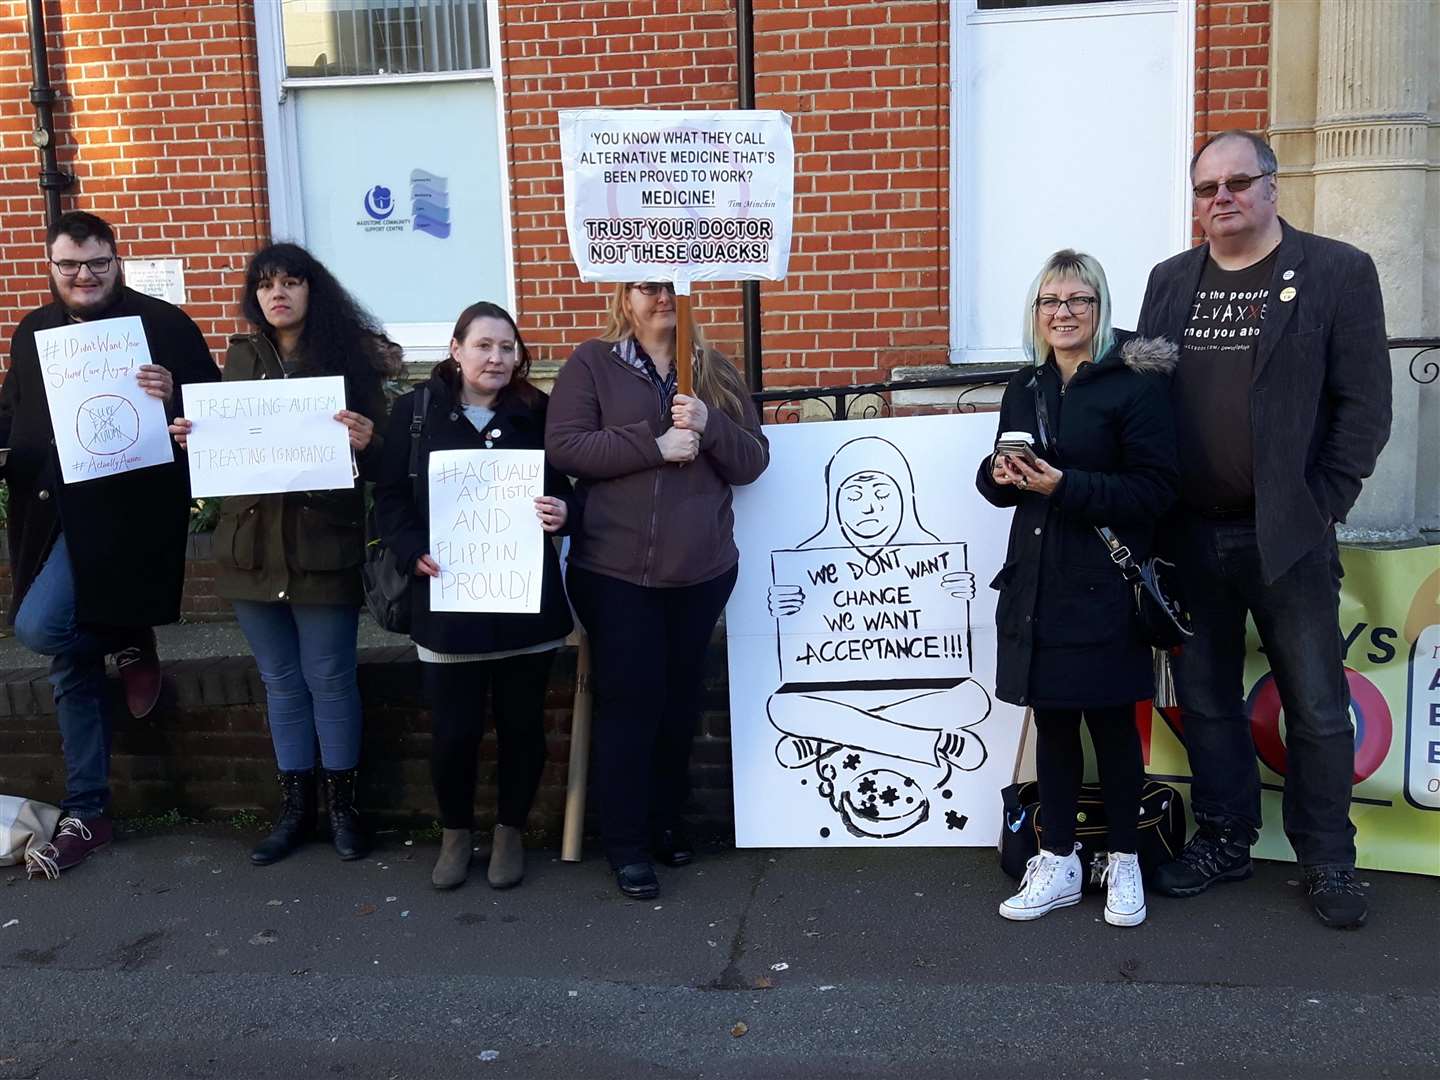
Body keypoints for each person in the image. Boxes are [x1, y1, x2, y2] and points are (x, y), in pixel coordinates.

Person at [1136, 131, 1391, 929]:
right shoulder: (1169, 282)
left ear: (1271, 187)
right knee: (1208, 702)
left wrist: (1324, 504)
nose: (1222, 199)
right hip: (1189, 535)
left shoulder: (1338, 273)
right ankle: (1225, 838)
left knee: (1316, 706)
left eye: (1238, 182)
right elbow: (1144, 395)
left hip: (1290, 535)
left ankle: (1328, 860)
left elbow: (1365, 406)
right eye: (1207, 188)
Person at [1, 210, 220, 874]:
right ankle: (88, 812)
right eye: (69, 264)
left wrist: (174, 391)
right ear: (51, 265)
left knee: (43, 628)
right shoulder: (34, 330)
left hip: (126, 518)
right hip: (53, 515)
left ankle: (126, 631)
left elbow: (214, 411)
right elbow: (17, 411)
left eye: (96, 262)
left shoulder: (164, 324)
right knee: (69, 662)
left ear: (116, 260)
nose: (83, 276)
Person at [169, 243, 397, 865]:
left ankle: (344, 808)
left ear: (311, 291)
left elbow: (386, 460)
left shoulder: (348, 359)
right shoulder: (239, 359)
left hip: (322, 544)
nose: (279, 294)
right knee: (280, 683)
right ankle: (296, 808)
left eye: (292, 282)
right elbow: (229, 446)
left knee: (329, 678)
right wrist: (196, 438)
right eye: (267, 284)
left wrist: (370, 440)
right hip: (249, 548)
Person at [546, 282, 769, 900]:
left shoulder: (714, 369)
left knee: (678, 703)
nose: (663, 297)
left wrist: (710, 424)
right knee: (630, 704)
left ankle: (668, 822)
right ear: (626, 296)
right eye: (648, 286)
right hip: (615, 573)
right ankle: (625, 843)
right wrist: (653, 442)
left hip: (700, 572)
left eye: (673, 285)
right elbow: (565, 446)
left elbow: (753, 461)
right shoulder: (593, 363)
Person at [976, 249, 1178, 927]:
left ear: (1100, 309)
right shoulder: (1026, 385)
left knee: (1114, 727)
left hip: (1105, 586)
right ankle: (1056, 858)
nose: (1062, 313)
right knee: (1054, 726)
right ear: (1036, 313)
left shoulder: (1134, 386)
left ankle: (1125, 862)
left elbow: (1156, 490)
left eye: (1077, 300)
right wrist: (998, 475)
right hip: (1037, 583)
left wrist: (1067, 486)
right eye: (1050, 301)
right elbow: (1002, 479)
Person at [374, 301, 576, 890]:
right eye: (484, 345)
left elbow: (570, 487)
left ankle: (510, 832)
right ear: (455, 350)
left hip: (524, 605)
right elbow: (388, 496)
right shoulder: (415, 413)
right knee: (454, 731)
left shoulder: (538, 413)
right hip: (447, 603)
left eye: (507, 348)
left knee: (523, 727)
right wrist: (411, 547)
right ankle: (456, 833)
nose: (496, 357)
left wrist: (564, 511)